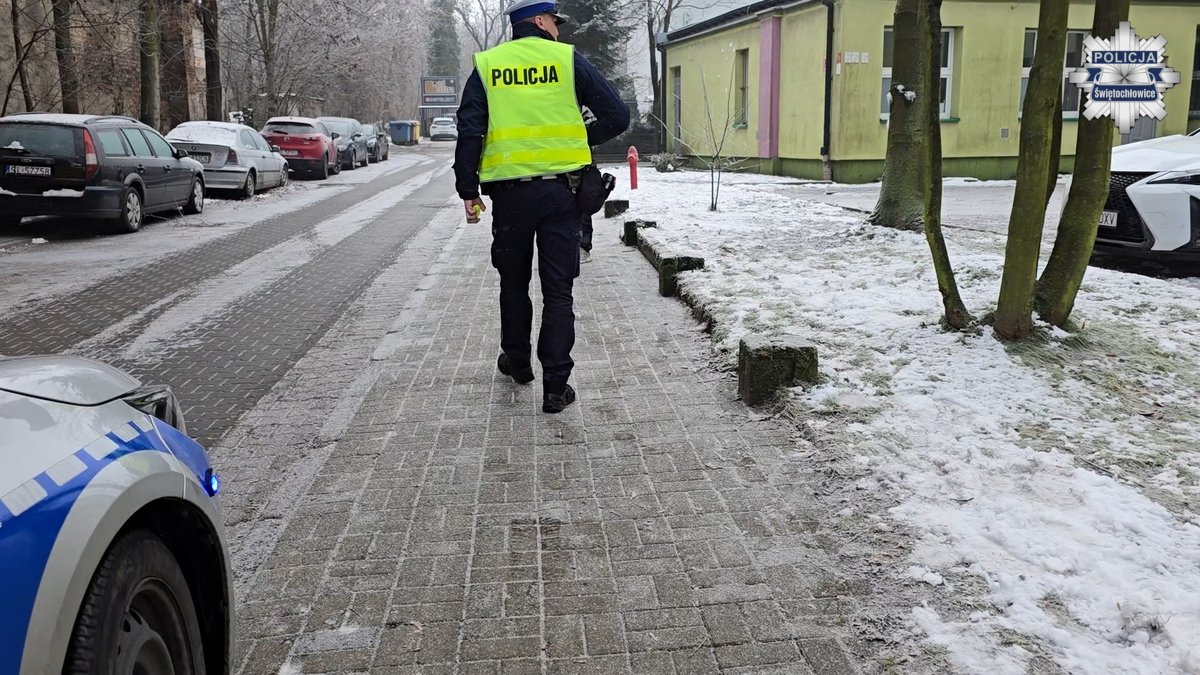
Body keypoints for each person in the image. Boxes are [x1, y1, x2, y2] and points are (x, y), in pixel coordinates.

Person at [453, 0, 629, 413]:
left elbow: (470, 131)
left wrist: (467, 189)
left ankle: (517, 363)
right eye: (554, 21)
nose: (558, 28)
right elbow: (617, 116)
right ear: (538, 21)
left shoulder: (488, 65)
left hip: (510, 197)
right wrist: (578, 139)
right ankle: (556, 386)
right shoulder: (567, 60)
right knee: (558, 291)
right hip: (562, 195)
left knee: (512, 284)